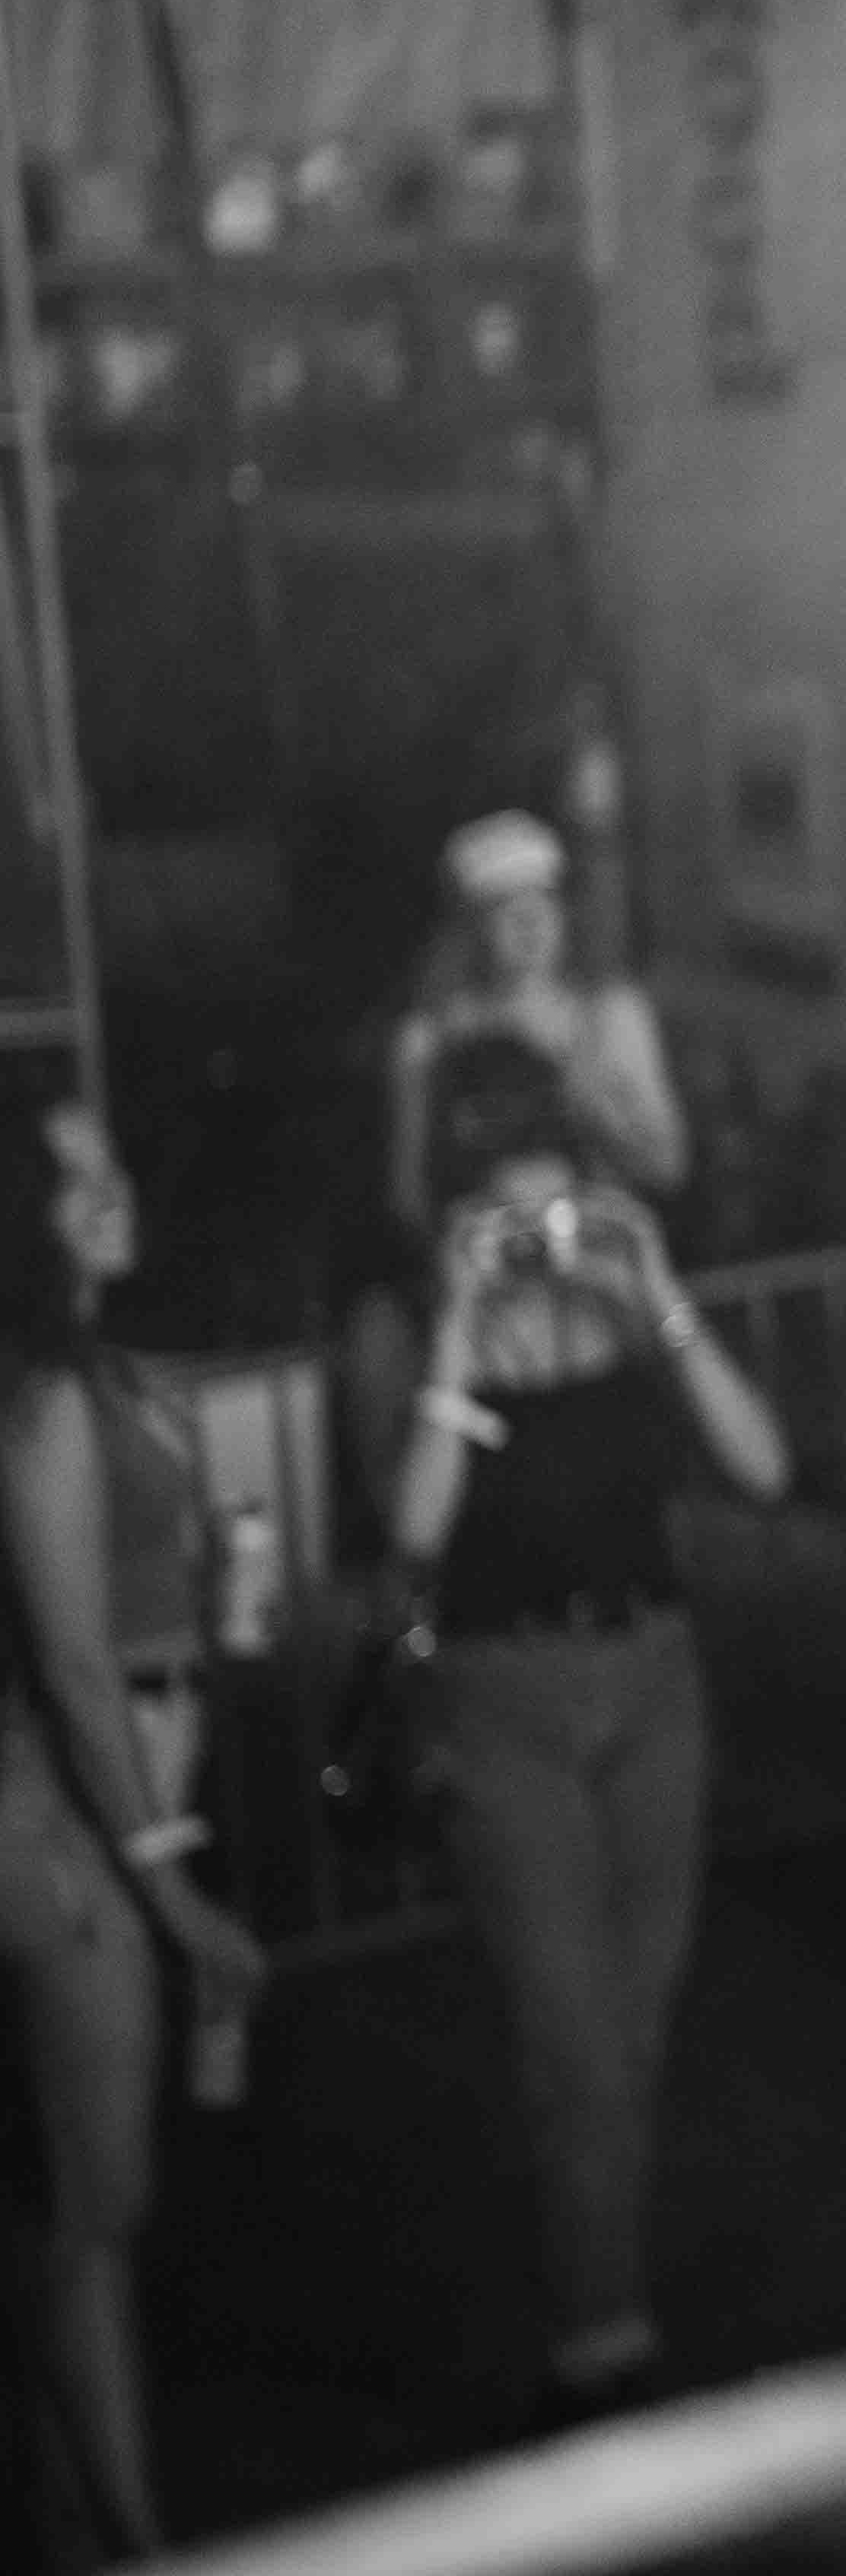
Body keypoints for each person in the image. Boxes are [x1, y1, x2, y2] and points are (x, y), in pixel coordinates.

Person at [343, 1036, 792, 2430]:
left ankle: (595, 2282)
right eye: (506, 1213)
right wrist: (462, 1337)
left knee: (633, 2035)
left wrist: (653, 1295)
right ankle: (605, 2341)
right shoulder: (405, 1321)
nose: (538, 1238)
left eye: (559, 1204)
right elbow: (412, 1532)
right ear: (455, 1208)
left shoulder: (620, 1303)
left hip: (655, 1677)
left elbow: (764, 1465)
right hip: (501, 1698)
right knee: (572, 2038)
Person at [0, 1091, 270, 2562]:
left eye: (112, 1161)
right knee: (98, 2210)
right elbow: (74, 1664)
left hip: (118, 1790)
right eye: (70, 1179)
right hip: (66, 1818)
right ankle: (137, 2544)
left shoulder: (98, 1371)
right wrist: (171, 1894)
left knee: (69, 2207)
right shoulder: (40, 1387)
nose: (108, 1191)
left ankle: (66, 2526)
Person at [388, 810, 688, 1231]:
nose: (530, 923)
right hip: (490, 1277)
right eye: (503, 908)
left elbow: (668, 1168)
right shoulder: (429, 1040)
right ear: (469, 928)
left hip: (600, 1269)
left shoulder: (610, 1015)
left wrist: (587, 1099)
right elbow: (411, 1199)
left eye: (542, 900)